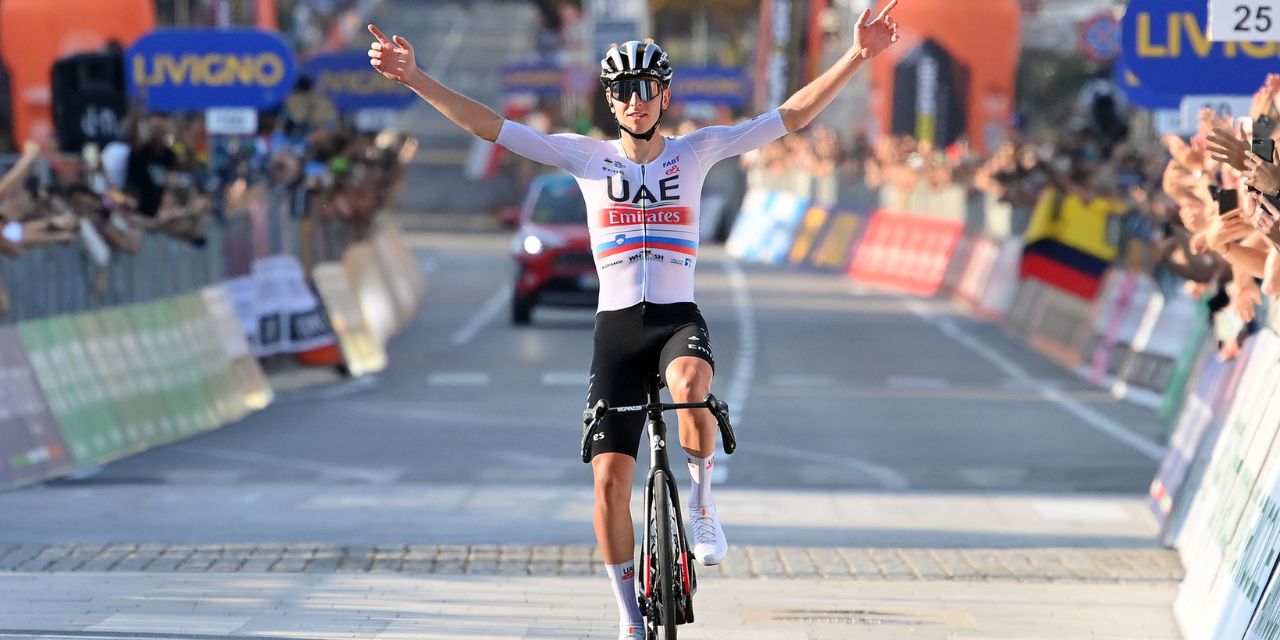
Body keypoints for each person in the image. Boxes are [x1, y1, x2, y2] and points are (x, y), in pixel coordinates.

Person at [367, 4, 900, 637]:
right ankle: (628, 618)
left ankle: (703, 507)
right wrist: (417, 78)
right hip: (616, 330)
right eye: (623, 90)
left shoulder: (699, 151)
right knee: (608, 487)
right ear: (610, 100)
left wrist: (856, 56)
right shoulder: (586, 159)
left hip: (676, 318)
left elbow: (790, 117)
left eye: (646, 89)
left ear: (664, 96)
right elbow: (492, 126)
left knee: (691, 385)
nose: (636, 101)